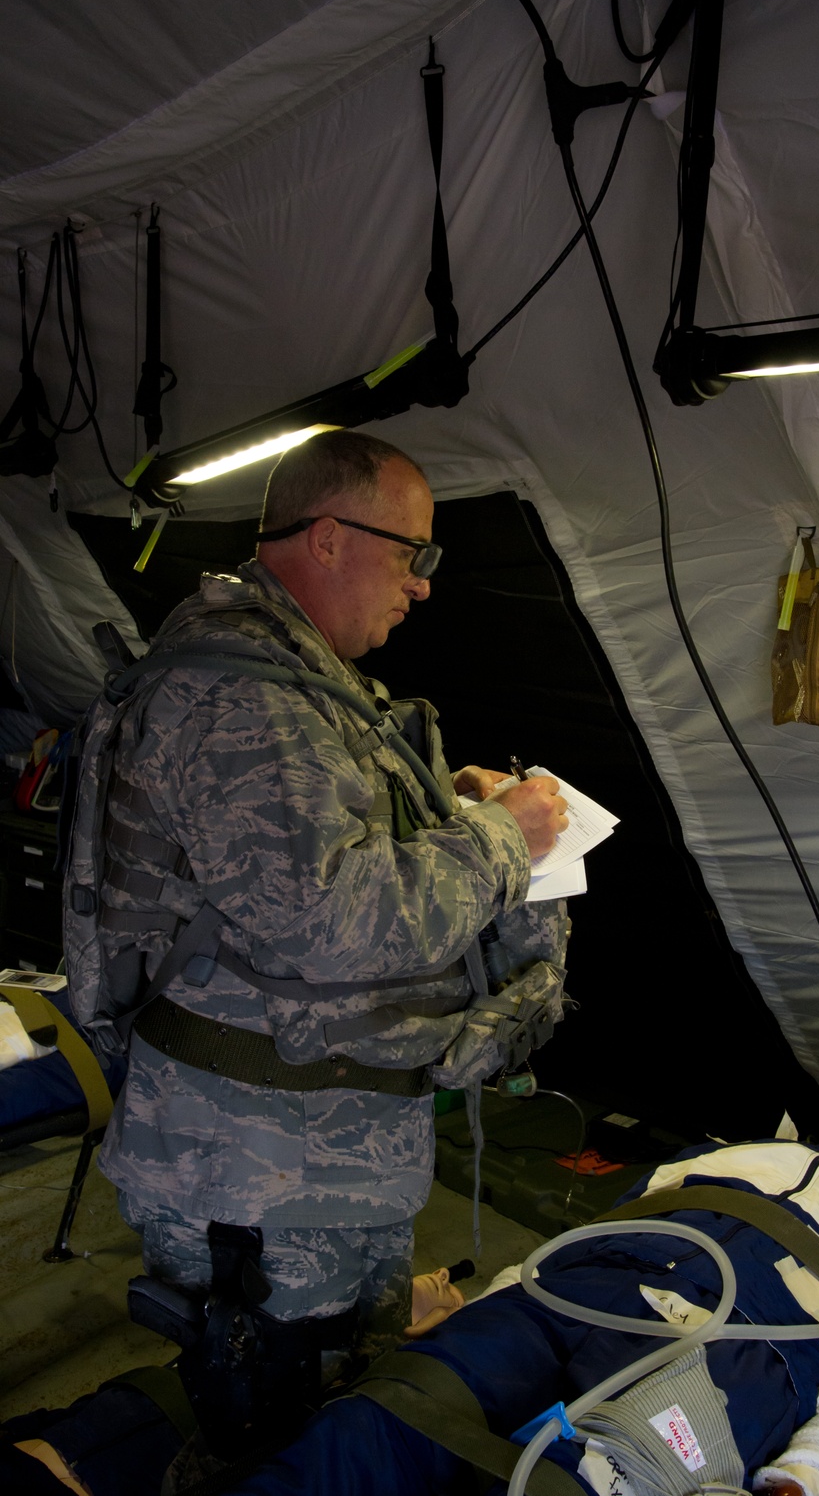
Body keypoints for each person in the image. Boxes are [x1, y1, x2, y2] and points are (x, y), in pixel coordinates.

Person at [89, 430, 569, 1404]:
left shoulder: (296, 681)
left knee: (339, 1397)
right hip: (256, 1171)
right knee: (273, 1421)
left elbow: (325, 838)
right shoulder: (237, 694)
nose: (423, 583)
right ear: (327, 538)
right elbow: (329, 920)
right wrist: (500, 839)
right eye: (413, 553)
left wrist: (454, 803)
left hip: (311, 1150)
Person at [216, 1100, 819, 1496]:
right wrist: (491, 1294)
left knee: (595, 1476)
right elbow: (611, 1217)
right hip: (584, 1281)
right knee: (392, 1412)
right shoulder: (735, 1151)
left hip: (745, 1333)